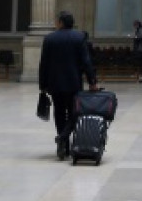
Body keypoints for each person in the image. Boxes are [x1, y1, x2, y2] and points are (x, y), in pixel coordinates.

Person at [38, 10, 98, 160]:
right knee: (75, 113)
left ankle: (63, 144)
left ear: (60, 23)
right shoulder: (79, 37)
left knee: (59, 113)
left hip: (55, 83)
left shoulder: (49, 39)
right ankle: (64, 138)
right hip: (73, 83)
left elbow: (43, 64)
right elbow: (86, 61)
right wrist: (92, 81)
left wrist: (42, 84)